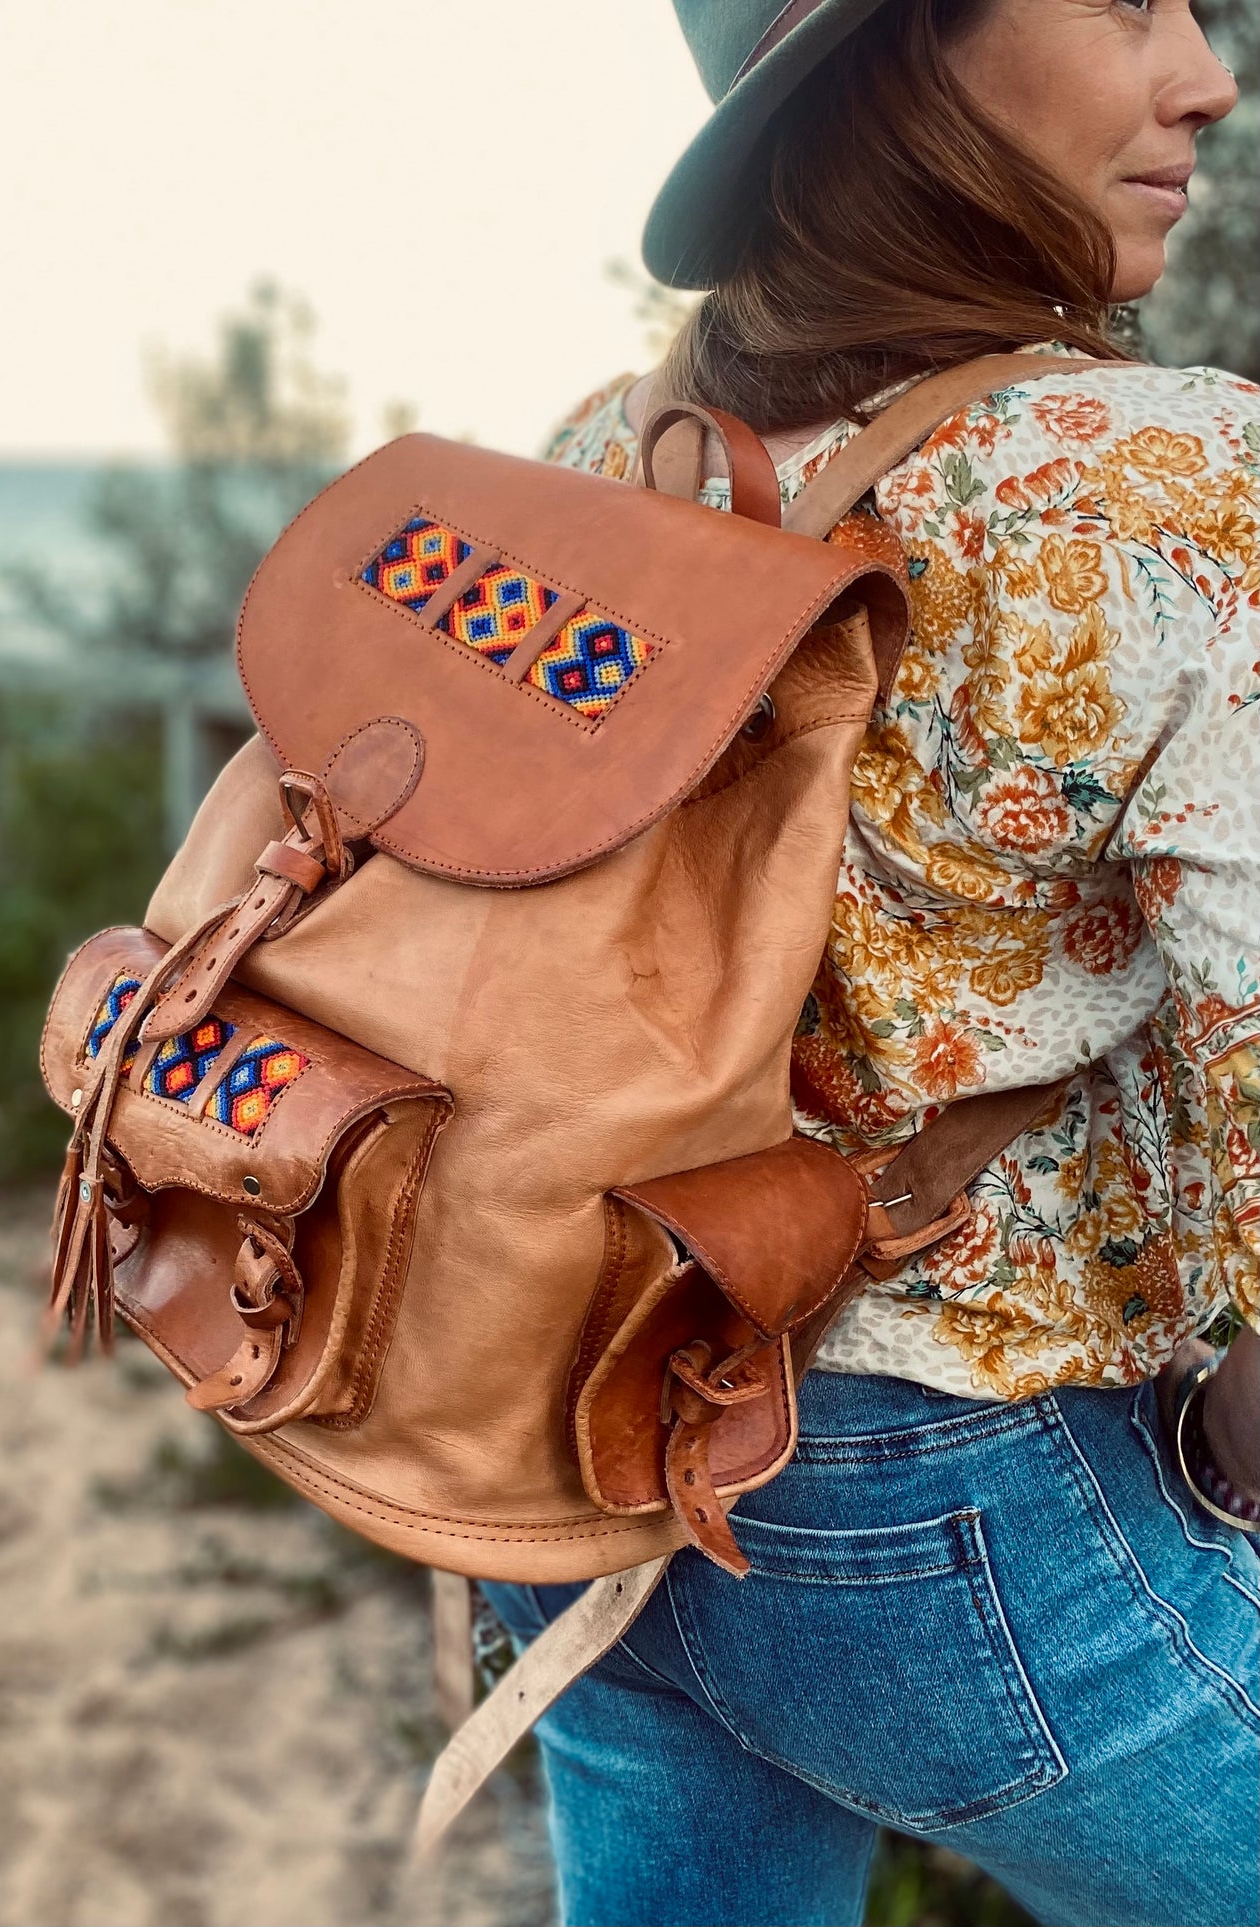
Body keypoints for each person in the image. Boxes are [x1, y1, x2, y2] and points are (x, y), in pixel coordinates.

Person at [481, 2, 1259, 1922]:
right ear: (897, 59)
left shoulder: (602, 447)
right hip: (960, 1505)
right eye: (1119, 1)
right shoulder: (1172, 480)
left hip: (575, 1421)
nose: (1204, 75)